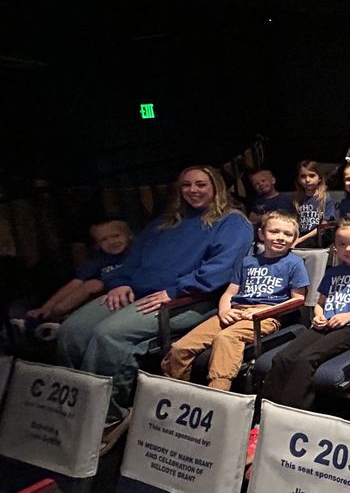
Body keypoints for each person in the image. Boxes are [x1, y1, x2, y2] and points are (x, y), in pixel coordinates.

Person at [58, 165, 252, 441]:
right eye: (186, 185)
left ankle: (108, 417)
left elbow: (219, 270)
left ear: (216, 187)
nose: (193, 191)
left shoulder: (232, 223)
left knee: (109, 335)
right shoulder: (164, 223)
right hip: (137, 290)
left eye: (201, 185)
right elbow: (133, 259)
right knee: (72, 330)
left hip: (188, 299)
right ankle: (78, 408)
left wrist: (176, 290)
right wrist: (121, 282)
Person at [161, 211, 309, 390]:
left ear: (295, 238)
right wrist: (224, 311)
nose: (280, 238)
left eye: (287, 234)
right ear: (261, 234)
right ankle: (175, 392)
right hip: (234, 311)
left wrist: (261, 312)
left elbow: (298, 300)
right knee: (180, 347)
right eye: (274, 232)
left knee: (226, 338)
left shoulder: (294, 263)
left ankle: (219, 392)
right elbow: (229, 294)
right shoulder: (247, 262)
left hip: (265, 315)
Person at [260, 215, 350, 410]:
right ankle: (264, 414)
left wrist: (348, 316)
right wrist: (318, 315)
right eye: (342, 244)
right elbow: (320, 303)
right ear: (335, 246)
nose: (348, 249)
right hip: (324, 325)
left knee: (305, 360)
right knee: (283, 357)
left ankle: (290, 415)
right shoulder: (332, 272)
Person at [21, 219, 132, 330]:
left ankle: (52, 318)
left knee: (95, 284)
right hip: (99, 300)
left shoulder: (135, 253)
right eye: (104, 239)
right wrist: (46, 307)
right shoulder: (98, 260)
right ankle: (46, 316)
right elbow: (76, 283)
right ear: (97, 245)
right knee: (91, 285)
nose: (112, 242)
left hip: (125, 294)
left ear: (130, 236)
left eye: (116, 235)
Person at [293, 160, 336, 247]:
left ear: (319, 178)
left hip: (318, 238)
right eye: (303, 176)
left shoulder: (325, 199)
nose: (307, 180)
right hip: (299, 236)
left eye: (312, 176)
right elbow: (294, 223)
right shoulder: (297, 200)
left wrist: (300, 240)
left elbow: (324, 226)